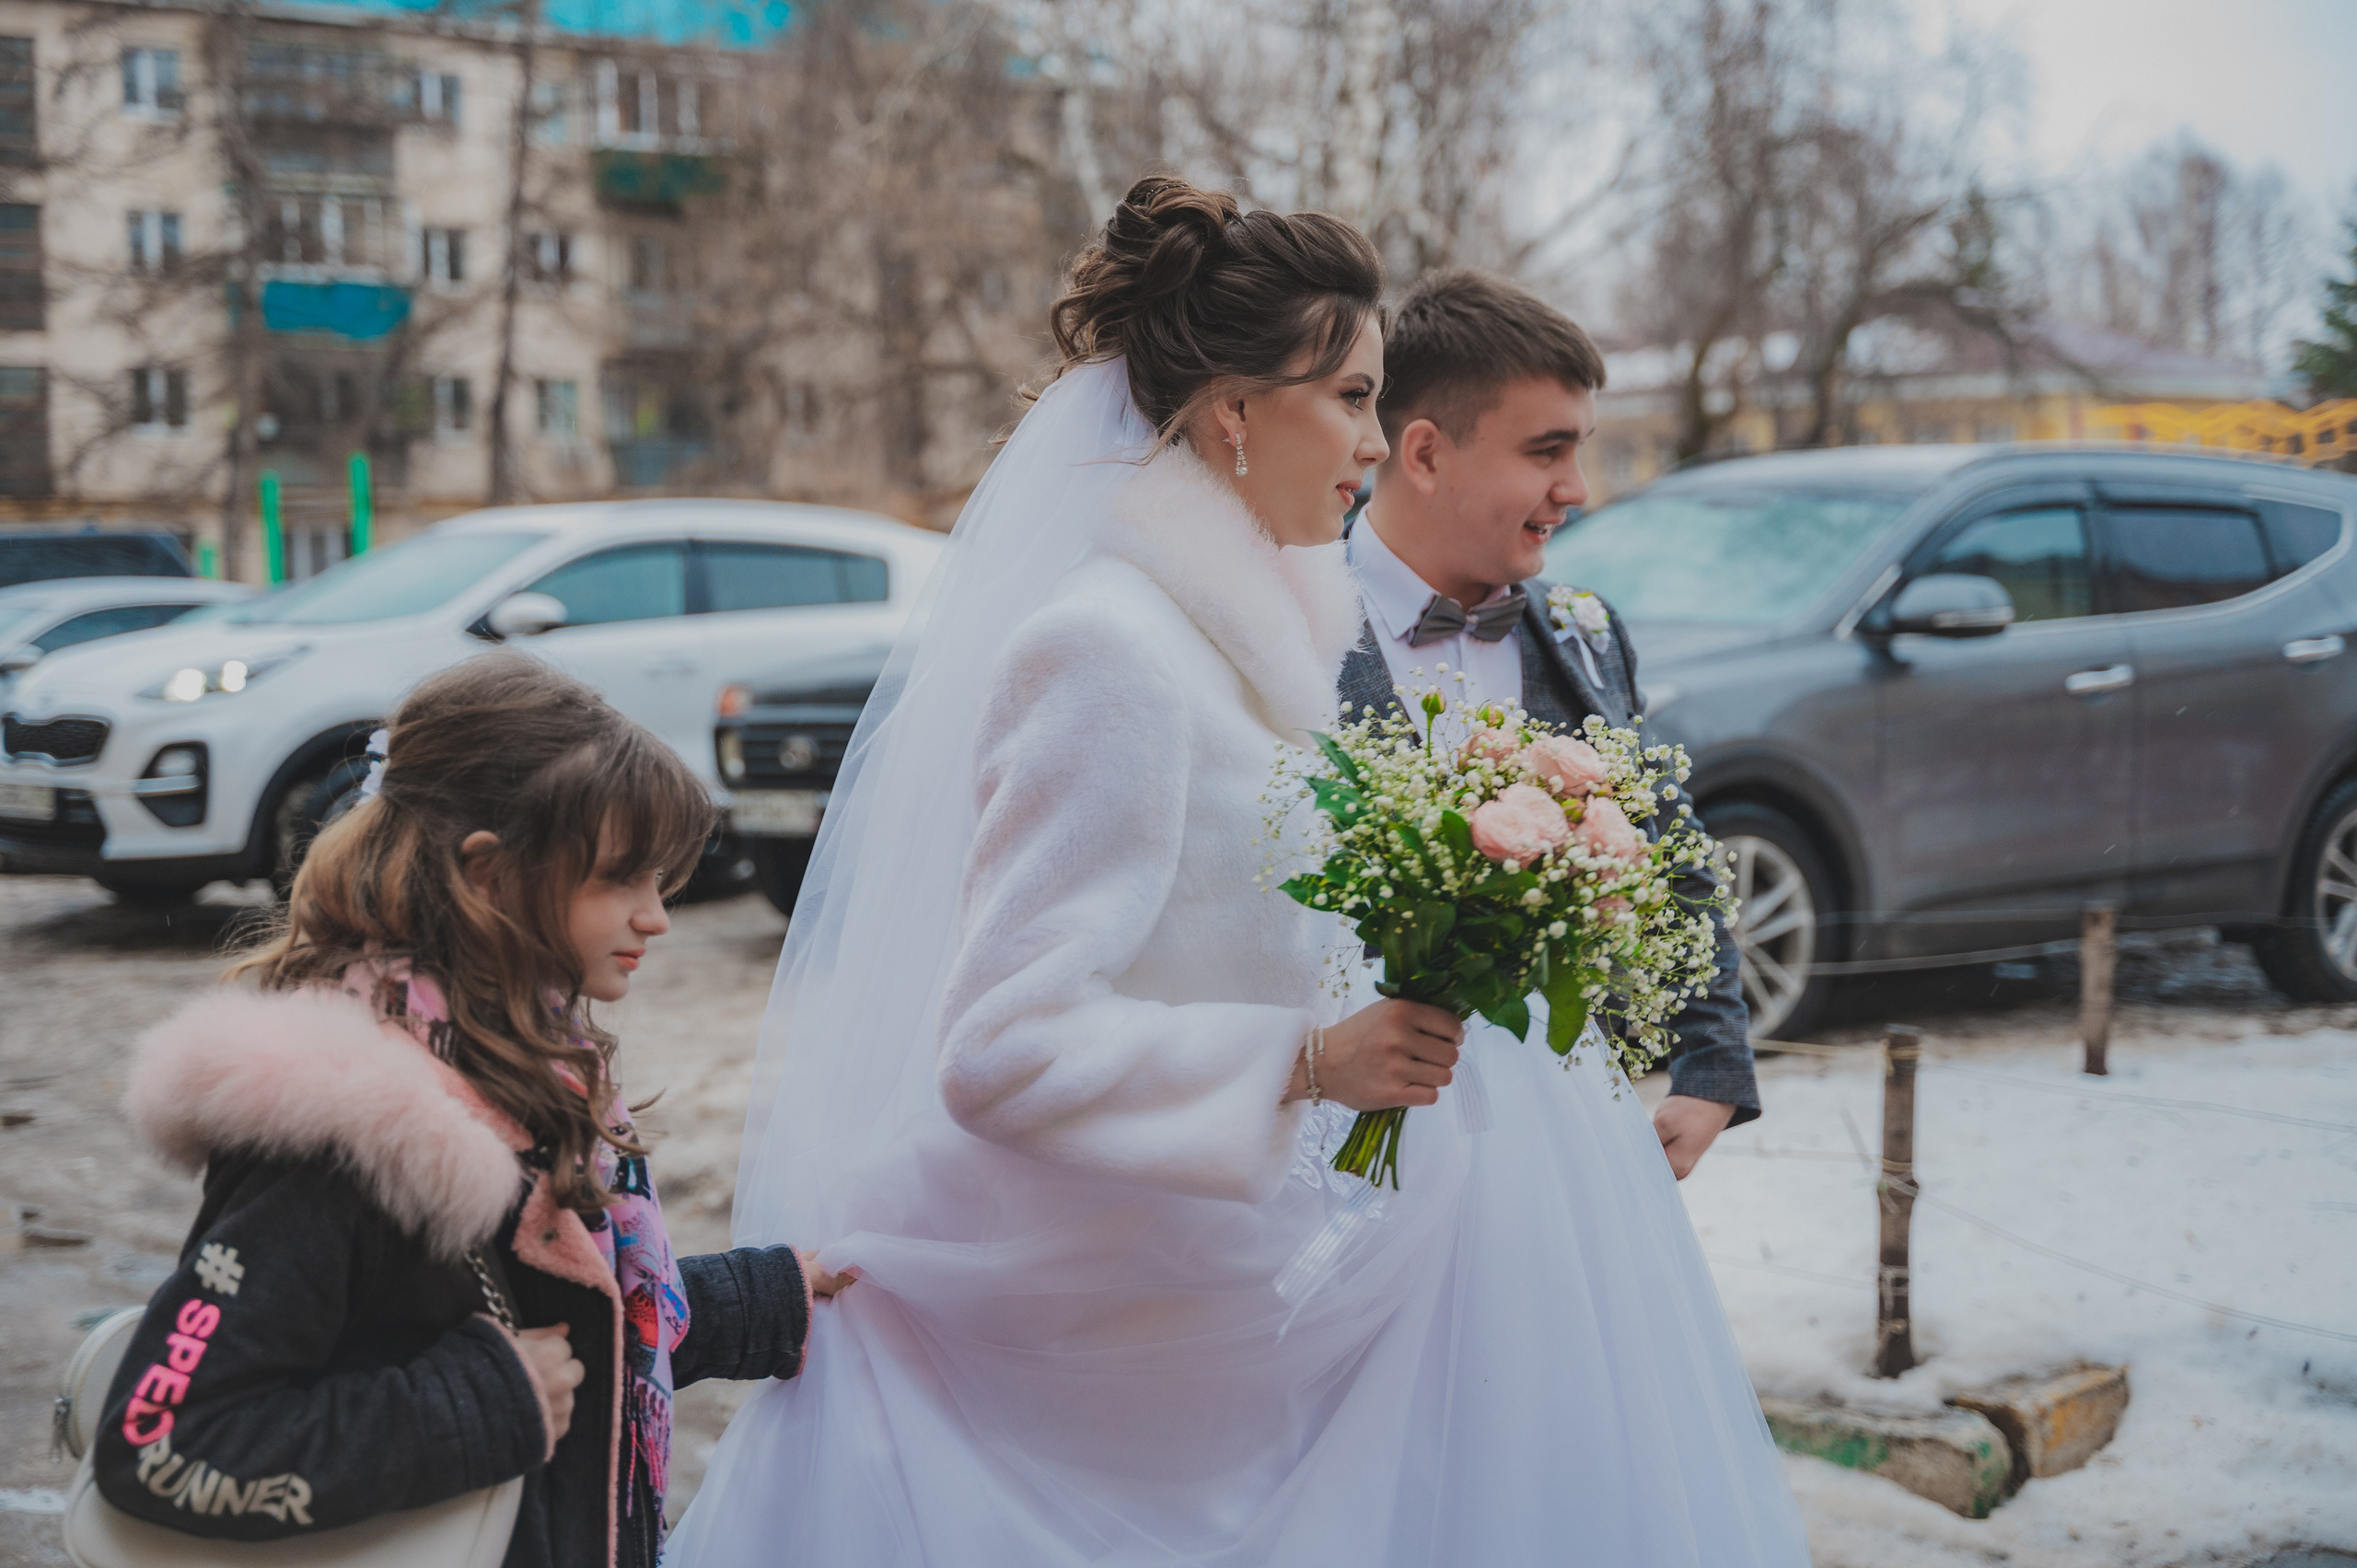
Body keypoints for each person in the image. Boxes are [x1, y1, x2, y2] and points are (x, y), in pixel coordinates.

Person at [670, 174, 1808, 1566]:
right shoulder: (1109, 651)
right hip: (1121, 1330)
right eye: (1346, 398)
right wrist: (1308, 1061)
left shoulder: (1248, 633)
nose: (1378, 439)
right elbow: (1001, 1042)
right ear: (1230, 413)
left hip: (1255, 1272)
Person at [90, 654, 846, 1568]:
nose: (658, 917)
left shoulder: (523, 1075)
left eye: (663, 880)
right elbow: (161, 1441)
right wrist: (483, 1403)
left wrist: (758, 1296)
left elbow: (551, 1323)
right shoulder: (342, 1130)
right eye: (621, 878)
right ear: (488, 875)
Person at [1343, 267, 1758, 1179]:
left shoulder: (1584, 631)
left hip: (1560, 1137)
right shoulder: (1288, 624)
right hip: (1341, 1142)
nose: (1575, 487)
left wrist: (1711, 1061)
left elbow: (1669, 844)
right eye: (1545, 450)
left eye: (1582, 449)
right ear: (1422, 454)